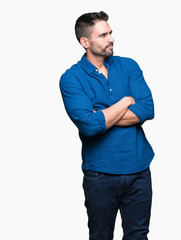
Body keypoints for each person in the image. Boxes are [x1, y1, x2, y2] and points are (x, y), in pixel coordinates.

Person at [59, 11, 155, 240]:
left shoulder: (129, 66)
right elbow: (89, 127)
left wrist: (101, 115)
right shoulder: (71, 78)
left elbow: (147, 109)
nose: (111, 38)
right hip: (100, 174)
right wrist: (124, 102)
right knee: (101, 236)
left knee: (138, 236)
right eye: (103, 35)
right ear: (85, 42)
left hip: (139, 169)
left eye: (110, 33)